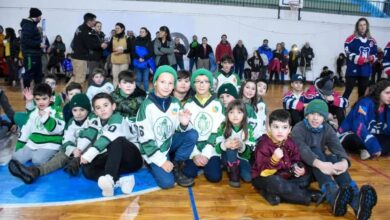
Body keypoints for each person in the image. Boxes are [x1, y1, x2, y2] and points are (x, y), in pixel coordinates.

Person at [291, 99, 377, 219]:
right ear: (306, 114)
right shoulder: (298, 128)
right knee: (316, 150)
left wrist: (344, 162)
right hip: (303, 167)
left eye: (320, 115)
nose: (315, 118)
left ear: (325, 118)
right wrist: (320, 164)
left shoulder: (326, 128)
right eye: (312, 114)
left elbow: (337, 146)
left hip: (320, 164)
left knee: (334, 158)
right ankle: (332, 195)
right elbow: (303, 150)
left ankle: (357, 204)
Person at [136, 65, 198, 189]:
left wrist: (184, 124)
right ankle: (151, 163)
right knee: (167, 183)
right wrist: (161, 161)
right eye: (162, 82)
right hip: (152, 149)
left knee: (192, 133)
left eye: (170, 83)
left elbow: (179, 129)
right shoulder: (146, 106)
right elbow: (145, 140)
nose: (166, 86)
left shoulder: (175, 103)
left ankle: (177, 165)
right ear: (155, 83)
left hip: (168, 143)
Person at [8, 93, 91, 184]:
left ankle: (75, 163)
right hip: (74, 150)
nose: (78, 113)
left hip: (90, 150)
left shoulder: (92, 120)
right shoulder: (71, 122)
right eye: (75, 110)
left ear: (88, 109)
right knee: (59, 159)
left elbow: (91, 136)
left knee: (88, 170)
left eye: (82, 110)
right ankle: (34, 172)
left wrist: (79, 151)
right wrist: (73, 149)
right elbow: (67, 138)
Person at [80, 93, 143, 196]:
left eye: (106, 105)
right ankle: (121, 181)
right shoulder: (96, 121)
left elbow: (107, 137)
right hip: (117, 160)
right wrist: (79, 152)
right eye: (98, 107)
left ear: (113, 106)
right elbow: (88, 136)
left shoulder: (117, 118)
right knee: (87, 167)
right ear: (95, 112)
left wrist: (88, 155)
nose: (102, 109)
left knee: (116, 140)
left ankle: (109, 177)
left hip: (133, 158)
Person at [252, 109, 319, 206]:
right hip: (264, 177)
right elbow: (262, 171)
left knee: (307, 175)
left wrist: (300, 169)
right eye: (276, 127)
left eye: (284, 127)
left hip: (285, 177)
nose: (280, 131)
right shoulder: (264, 145)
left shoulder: (290, 142)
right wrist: (274, 160)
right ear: (269, 128)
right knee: (275, 182)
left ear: (289, 129)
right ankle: (308, 195)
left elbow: (296, 159)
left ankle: (272, 193)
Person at [183, 68, 225, 183]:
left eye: (206, 81)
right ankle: (198, 162)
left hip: (211, 146)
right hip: (194, 146)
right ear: (193, 84)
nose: (202, 84)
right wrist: (195, 154)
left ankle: (209, 163)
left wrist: (206, 154)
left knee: (214, 177)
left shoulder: (217, 104)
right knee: (189, 173)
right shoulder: (188, 105)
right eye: (198, 81)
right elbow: (186, 132)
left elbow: (219, 131)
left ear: (210, 84)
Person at [10, 83, 65, 165]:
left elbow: (59, 130)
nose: (41, 102)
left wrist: (46, 118)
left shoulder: (57, 110)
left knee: (37, 161)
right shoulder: (34, 112)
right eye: (38, 99)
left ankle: (53, 155)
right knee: (15, 156)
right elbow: (26, 130)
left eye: (44, 99)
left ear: (50, 98)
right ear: (34, 100)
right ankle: (34, 154)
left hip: (50, 144)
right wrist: (19, 145)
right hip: (33, 143)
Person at [339, 80, 390, 160]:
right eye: (387, 93)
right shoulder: (365, 102)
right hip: (353, 134)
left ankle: (368, 151)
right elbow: (358, 125)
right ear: (379, 92)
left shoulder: (387, 107)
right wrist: (372, 143)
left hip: (372, 135)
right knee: (355, 139)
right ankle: (369, 149)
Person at [216, 100, 255, 188]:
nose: (235, 115)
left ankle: (235, 167)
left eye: (239, 112)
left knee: (248, 178)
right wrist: (225, 144)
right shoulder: (223, 126)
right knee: (231, 147)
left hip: (242, 158)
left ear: (244, 114)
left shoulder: (249, 128)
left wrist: (242, 146)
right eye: (231, 112)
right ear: (227, 114)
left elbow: (251, 151)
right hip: (227, 157)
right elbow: (217, 148)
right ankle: (233, 174)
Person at [343, 18, 378, 99]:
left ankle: (358, 110)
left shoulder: (372, 40)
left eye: (364, 25)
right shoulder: (351, 39)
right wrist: (360, 59)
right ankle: (340, 110)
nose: (362, 27)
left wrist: (371, 58)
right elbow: (347, 52)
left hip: (365, 70)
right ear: (357, 27)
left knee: (362, 93)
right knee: (348, 90)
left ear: (367, 26)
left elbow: (375, 54)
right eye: (360, 25)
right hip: (352, 70)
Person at [69, 13, 107, 86]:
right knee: (80, 79)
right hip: (80, 58)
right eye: (94, 21)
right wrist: (100, 45)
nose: (95, 22)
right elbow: (90, 45)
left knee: (75, 77)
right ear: (89, 21)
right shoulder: (85, 31)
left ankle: (64, 93)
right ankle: (77, 96)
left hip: (77, 57)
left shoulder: (81, 27)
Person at [20, 8, 45, 88]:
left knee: (38, 75)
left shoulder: (32, 25)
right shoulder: (28, 26)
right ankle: (26, 92)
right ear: (36, 17)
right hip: (30, 55)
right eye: (40, 17)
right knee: (29, 74)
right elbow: (26, 41)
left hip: (36, 54)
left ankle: (38, 92)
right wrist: (39, 44)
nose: (40, 19)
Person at [133, 27, 155, 92]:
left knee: (145, 79)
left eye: (143, 32)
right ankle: (137, 93)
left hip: (146, 64)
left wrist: (143, 58)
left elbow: (151, 52)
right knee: (138, 79)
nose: (141, 33)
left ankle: (146, 93)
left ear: (146, 33)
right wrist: (138, 58)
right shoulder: (136, 40)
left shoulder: (149, 42)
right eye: (140, 32)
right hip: (138, 63)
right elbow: (133, 51)